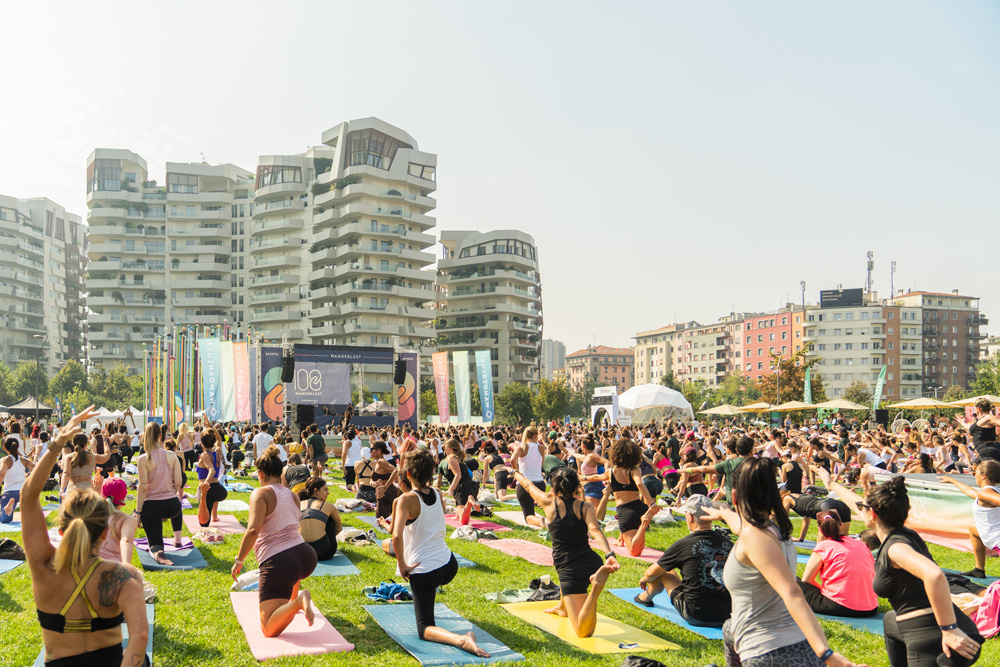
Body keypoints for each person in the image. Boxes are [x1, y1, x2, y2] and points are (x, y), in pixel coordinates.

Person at [702, 458, 865, 667]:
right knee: (729, 627)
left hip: (771, 653)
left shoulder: (757, 538)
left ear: (734, 496)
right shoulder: (770, 532)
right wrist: (723, 513)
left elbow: (793, 593)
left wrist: (827, 654)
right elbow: (741, 526)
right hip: (787, 645)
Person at [21, 406, 150, 667]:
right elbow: (139, 637)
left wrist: (57, 444)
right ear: (105, 532)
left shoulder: (43, 567)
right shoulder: (124, 576)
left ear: (61, 531)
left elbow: (28, 497)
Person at [817, 466, 983, 666]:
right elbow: (858, 504)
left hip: (934, 637)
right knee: (891, 619)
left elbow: (934, 575)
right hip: (920, 625)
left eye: (863, 507)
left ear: (872, 514)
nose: (859, 509)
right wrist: (831, 484)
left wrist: (949, 629)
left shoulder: (895, 548)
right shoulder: (901, 532)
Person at [392, 449, 489, 657]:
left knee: (425, 628)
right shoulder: (437, 493)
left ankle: (462, 640)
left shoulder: (406, 499)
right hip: (448, 565)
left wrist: (402, 566)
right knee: (429, 587)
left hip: (425, 571)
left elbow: (396, 536)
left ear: (408, 474)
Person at [514, 467, 620, 636]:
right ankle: (563, 608)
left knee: (582, 631)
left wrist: (514, 472)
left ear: (553, 487)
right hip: (591, 561)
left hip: (571, 569)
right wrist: (609, 555)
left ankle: (596, 587)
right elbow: (595, 530)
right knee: (565, 584)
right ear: (577, 487)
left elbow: (527, 485)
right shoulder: (585, 507)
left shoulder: (548, 502)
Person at [232, 446, 318, 638]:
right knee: (291, 571)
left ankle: (298, 601)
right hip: (305, 556)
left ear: (261, 473)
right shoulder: (292, 495)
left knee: (268, 629)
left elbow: (253, 530)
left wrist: (239, 560)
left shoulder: (261, 494)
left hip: (281, 562)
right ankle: (294, 600)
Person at [634, 494, 733, 628]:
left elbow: (652, 573)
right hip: (729, 614)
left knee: (663, 571)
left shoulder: (684, 545)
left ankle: (646, 597)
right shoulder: (728, 544)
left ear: (689, 517)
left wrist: (645, 578)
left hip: (696, 614)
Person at [798, 506, 878, 617]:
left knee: (792, 579)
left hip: (838, 606)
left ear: (820, 530)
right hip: (871, 608)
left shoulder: (824, 546)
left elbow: (807, 580)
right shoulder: (861, 544)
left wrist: (823, 591)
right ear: (841, 525)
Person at [937, 460, 1000, 579]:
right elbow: (972, 492)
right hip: (993, 537)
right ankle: (979, 569)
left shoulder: (987, 493)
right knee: (973, 528)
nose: (974, 475)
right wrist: (952, 480)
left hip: (997, 540)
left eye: (975, 473)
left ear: (983, 476)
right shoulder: (988, 492)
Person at [597, 438, 659, 556]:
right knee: (629, 529)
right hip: (640, 507)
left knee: (634, 552)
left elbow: (596, 477)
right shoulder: (635, 469)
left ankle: (644, 524)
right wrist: (652, 503)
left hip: (626, 511)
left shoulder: (611, 471)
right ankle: (621, 539)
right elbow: (639, 484)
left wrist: (582, 478)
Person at [135, 422, 185, 566]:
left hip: (152, 507)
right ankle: (177, 539)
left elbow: (142, 488)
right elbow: (179, 482)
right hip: (173, 506)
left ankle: (159, 553)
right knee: (169, 508)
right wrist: (170, 494)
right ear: (159, 436)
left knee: (155, 544)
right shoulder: (172, 455)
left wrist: (138, 513)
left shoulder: (143, 459)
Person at [681, 435, 753, 503]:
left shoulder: (725, 460)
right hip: (749, 500)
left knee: (712, 488)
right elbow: (723, 459)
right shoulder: (756, 463)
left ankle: (712, 498)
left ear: (736, 450)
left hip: (715, 472)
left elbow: (705, 468)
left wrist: (686, 470)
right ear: (751, 450)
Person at [509, 426, 547, 528]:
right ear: (535, 436)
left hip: (524, 484)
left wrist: (518, 473)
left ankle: (539, 521)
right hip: (539, 483)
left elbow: (512, 460)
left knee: (528, 516)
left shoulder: (521, 448)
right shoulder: (541, 448)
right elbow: (541, 464)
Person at [298, 477, 342, 561]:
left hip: (302, 552)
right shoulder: (329, 506)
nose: (328, 493)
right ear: (316, 491)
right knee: (329, 519)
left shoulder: (298, 504)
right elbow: (338, 528)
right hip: (324, 553)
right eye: (325, 490)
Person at [98, 477, 139, 564]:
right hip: (112, 566)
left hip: (88, 565)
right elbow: (126, 541)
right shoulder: (127, 520)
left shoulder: (92, 513)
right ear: (123, 498)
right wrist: (127, 566)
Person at [782, 491, 852, 542]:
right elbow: (806, 521)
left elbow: (783, 519)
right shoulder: (803, 497)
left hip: (826, 506)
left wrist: (784, 537)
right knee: (843, 540)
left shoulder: (787, 498)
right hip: (842, 505)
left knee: (821, 544)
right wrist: (800, 539)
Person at [442, 438, 480, 527]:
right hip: (470, 485)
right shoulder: (458, 458)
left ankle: (469, 502)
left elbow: (458, 475)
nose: (444, 450)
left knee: (464, 522)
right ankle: (458, 514)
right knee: (461, 512)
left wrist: (450, 489)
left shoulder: (451, 458)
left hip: (463, 488)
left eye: (445, 448)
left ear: (449, 448)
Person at [196, 429, 229, 528]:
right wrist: (210, 427)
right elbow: (219, 438)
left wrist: (206, 484)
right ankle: (214, 516)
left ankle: (213, 516)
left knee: (203, 524)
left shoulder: (204, 455)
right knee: (213, 500)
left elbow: (212, 470)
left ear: (202, 443)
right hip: (219, 489)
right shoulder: (218, 452)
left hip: (208, 489)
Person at [0, 436, 34, 522]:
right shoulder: (23, 460)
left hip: (9, 492)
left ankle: (7, 508)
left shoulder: (5, 460)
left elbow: (1, 474)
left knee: (4, 519)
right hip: (23, 492)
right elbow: (37, 468)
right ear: (18, 447)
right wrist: (29, 475)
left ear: (4, 448)